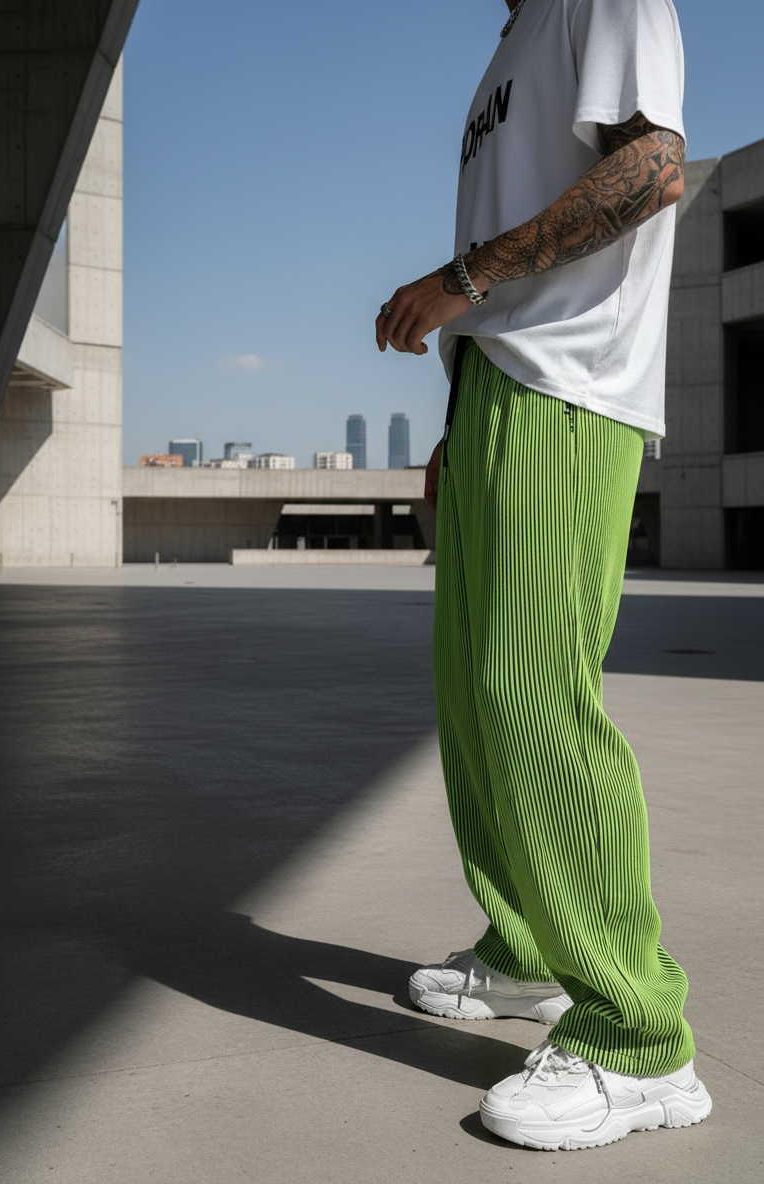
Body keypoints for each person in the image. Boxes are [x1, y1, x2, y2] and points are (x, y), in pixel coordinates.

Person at [375, 0, 711, 1153]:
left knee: (535, 697)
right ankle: (529, 950)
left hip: (568, 389)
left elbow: (653, 168)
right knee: (475, 699)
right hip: (501, 395)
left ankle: (638, 1037)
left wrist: (462, 277)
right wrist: (463, 417)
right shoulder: (512, 43)